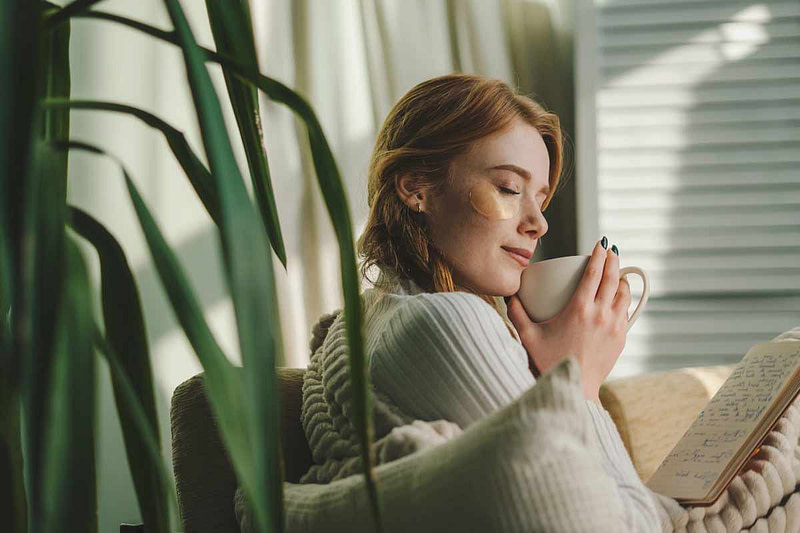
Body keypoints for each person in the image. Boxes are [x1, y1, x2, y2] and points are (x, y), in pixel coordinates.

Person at [298, 73, 662, 531]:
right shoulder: (447, 319)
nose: (539, 224)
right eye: (509, 188)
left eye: (541, 198)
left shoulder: (370, 319)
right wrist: (579, 381)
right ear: (416, 188)